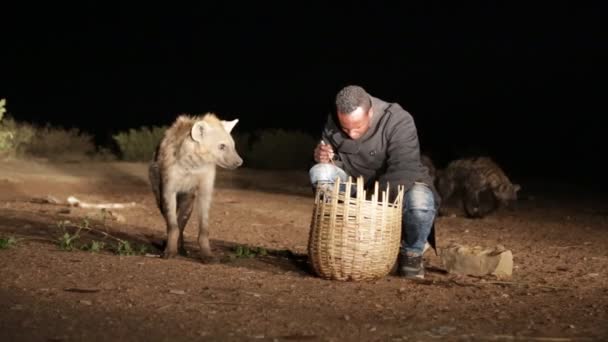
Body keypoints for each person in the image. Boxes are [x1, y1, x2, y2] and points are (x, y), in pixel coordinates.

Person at [309, 85, 440, 279]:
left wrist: (370, 202)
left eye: (357, 127)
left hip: (396, 184)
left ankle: (411, 253)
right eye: (346, 128)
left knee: (420, 202)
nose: (351, 134)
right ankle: (339, 241)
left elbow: (403, 169)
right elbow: (334, 161)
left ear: (370, 112)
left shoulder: (398, 120)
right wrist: (322, 157)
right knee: (320, 172)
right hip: (355, 185)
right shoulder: (332, 120)